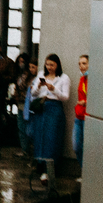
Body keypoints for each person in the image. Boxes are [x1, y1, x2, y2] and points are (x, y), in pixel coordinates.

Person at [29, 54, 71, 182]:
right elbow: (33, 93)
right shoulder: (41, 74)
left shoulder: (64, 78)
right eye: (47, 64)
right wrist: (39, 86)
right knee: (40, 136)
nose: (49, 67)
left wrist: (53, 89)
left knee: (52, 138)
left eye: (52, 65)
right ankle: (40, 165)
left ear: (57, 65)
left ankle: (50, 170)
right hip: (42, 108)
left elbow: (65, 97)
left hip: (54, 108)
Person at [12, 53, 34, 157]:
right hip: (20, 103)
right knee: (21, 127)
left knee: (26, 128)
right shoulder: (21, 75)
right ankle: (24, 149)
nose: (21, 64)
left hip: (27, 104)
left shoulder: (30, 77)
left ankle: (27, 149)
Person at [74, 54, 89, 161]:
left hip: (87, 117)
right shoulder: (82, 79)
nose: (81, 66)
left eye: (84, 63)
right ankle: (82, 168)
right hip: (79, 116)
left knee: (87, 148)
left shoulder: (93, 81)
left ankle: (85, 174)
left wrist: (86, 102)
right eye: (79, 64)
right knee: (76, 146)